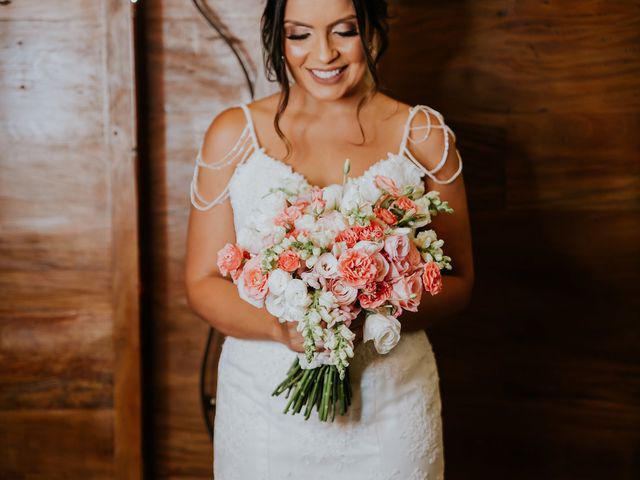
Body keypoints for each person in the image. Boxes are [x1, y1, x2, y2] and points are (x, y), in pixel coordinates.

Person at [185, 0, 474, 477]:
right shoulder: (234, 134)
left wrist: (377, 309)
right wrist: (284, 329)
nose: (324, 54)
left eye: (344, 31)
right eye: (300, 35)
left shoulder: (422, 134)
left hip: (391, 403)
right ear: (277, 36)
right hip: (264, 410)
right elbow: (202, 282)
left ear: (373, 27)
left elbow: (459, 280)